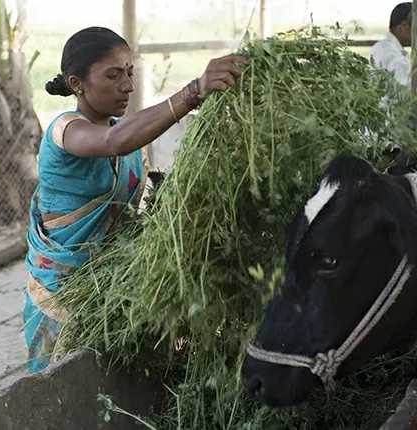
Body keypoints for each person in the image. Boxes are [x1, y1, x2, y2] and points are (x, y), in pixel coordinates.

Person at [23, 26, 249, 373]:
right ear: (76, 84)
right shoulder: (65, 130)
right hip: (64, 290)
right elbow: (113, 141)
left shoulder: (126, 134)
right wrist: (194, 92)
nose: (127, 85)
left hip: (115, 286)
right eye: (113, 75)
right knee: (64, 383)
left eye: (130, 72)